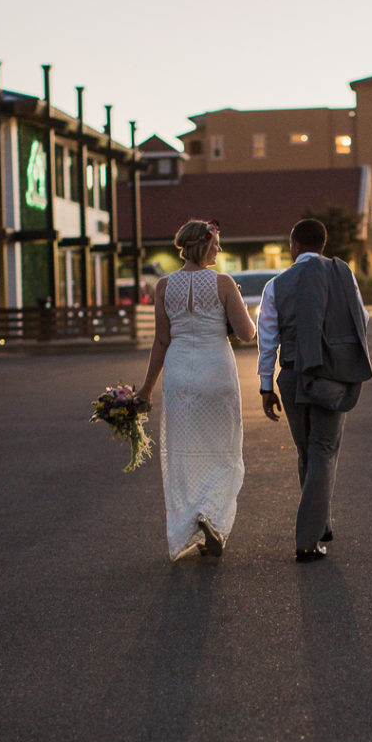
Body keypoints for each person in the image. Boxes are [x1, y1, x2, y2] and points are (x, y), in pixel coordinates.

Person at [137, 219, 256, 561]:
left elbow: (162, 340)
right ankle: (212, 517)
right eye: (217, 243)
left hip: (178, 375)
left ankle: (193, 515)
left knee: (184, 450)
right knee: (222, 448)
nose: (220, 248)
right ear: (205, 245)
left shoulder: (163, 286)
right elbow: (247, 334)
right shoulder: (223, 283)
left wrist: (146, 388)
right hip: (215, 370)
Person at [257, 219, 372, 563]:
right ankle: (307, 540)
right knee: (323, 451)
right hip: (330, 374)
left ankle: (321, 525)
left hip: (293, 375)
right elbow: (362, 318)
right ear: (323, 244)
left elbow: (268, 339)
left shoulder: (276, 284)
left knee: (307, 452)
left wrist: (265, 386)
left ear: (294, 245)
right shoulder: (343, 275)